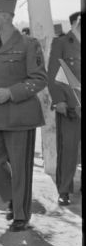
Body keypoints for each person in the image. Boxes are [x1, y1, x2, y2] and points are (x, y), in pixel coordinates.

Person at [0, 0, 47, 232]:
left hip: (20, 115)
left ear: (6, 17)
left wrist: (11, 92)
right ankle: (11, 197)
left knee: (20, 166)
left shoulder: (29, 44)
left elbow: (39, 79)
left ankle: (20, 214)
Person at [47, 11, 82, 206]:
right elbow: (53, 73)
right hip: (71, 105)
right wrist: (58, 100)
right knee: (68, 148)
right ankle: (64, 189)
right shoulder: (61, 43)